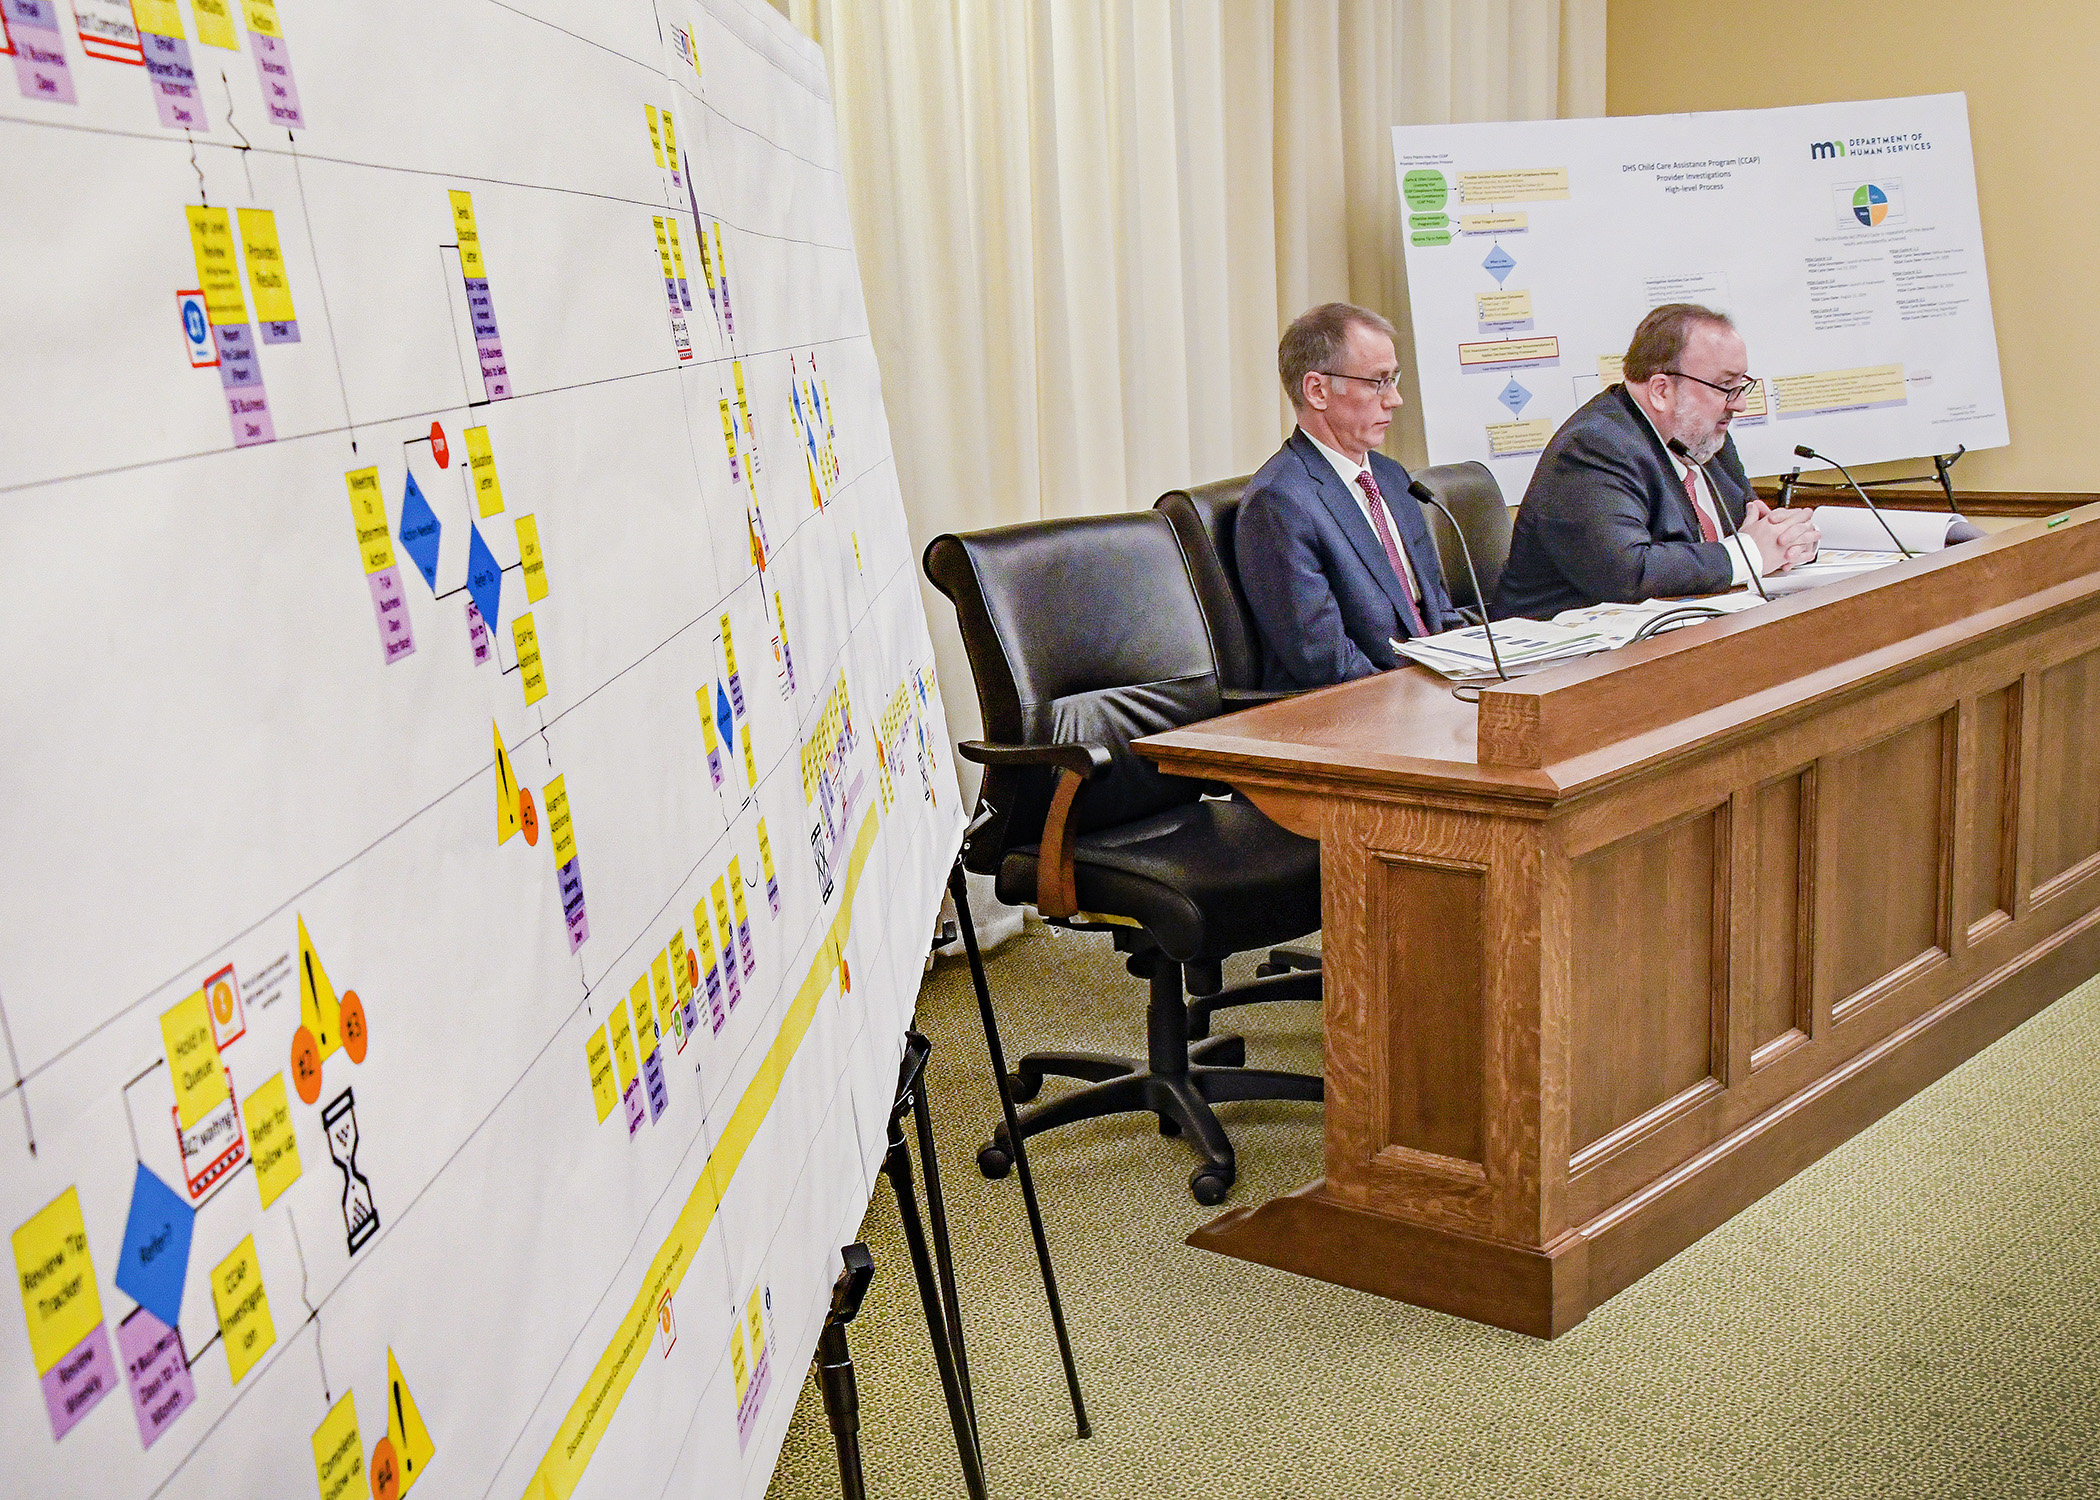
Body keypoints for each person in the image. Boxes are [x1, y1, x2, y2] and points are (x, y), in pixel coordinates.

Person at [1492, 304, 1820, 621]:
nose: (1741, 404)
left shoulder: (1704, 436)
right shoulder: (1593, 447)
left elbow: (1754, 529)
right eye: (1725, 387)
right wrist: (1748, 553)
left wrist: (1789, 541)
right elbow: (1628, 572)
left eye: (1741, 386)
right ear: (1661, 390)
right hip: (1566, 663)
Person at [1236, 302, 1462, 690]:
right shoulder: (1279, 503)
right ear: (1318, 390)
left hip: (1439, 693)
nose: (1395, 400)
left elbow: (1438, 613)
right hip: (1365, 714)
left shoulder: (1392, 478)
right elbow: (1326, 663)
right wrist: (1430, 699)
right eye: (1378, 382)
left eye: (1394, 379)